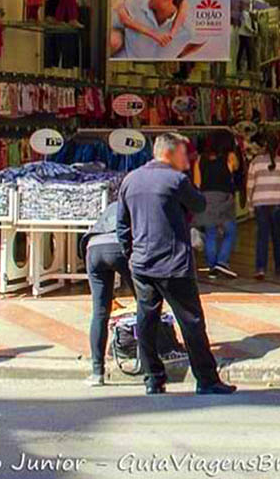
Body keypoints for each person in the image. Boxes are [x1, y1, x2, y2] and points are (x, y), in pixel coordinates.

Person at [116, 132, 235, 396]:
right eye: (183, 153)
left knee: (146, 321)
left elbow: (122, 224)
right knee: (191, 322)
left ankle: (152, 379)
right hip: (173, 263)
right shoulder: (176, 180)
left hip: (142, 263)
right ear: (169, 153)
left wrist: (131, 253)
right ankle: (206, 379)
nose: (187, 158)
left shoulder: (131, 179)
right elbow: (200, 203)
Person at [81, 200, 133, 387]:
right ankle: (150, 370)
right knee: (145, 304)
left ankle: (97, 372)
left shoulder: (111, 206)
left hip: (93, 248)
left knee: (100, 312)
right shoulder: (134, 204)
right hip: (118, 245)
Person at [117, 0, 204, 60]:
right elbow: (121, 21)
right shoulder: (134, 4)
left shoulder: (187, 29)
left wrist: (178, 56)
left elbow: (200, 42)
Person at [194, 135, 242, 279]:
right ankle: (222, 261)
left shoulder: (200, 159)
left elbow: (197, 183)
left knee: (211, 233)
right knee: (230, 231)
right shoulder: (230, 157)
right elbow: (236, 169)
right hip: (224, 198)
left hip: (206, 198)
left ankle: (211, 266)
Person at [246, 136, 280, 278]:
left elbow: (250, 185)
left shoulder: (255, 162)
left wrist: (249, 205)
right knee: (277, 235)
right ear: (279, 146)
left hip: (259, 203)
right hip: (277, 202)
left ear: (264, 146)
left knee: (262, 235)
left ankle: (260, 268)